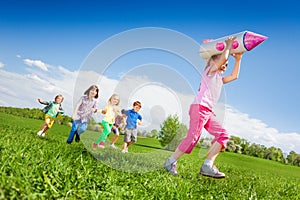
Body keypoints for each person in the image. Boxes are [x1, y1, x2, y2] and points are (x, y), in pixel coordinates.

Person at [164, 36, 243, 178]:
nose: (224, 63)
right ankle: (170, 162)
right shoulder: (209, 71)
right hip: (200, 108)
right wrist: (228, 46)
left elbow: (235, 76)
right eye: (219, 60)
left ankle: (207, 165)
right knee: (193, 138)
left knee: (223, 135)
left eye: (225, 63)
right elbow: (223, 59)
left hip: (208, 112)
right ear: (212, 61)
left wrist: (238, 59)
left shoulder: (219, 78)